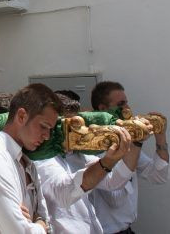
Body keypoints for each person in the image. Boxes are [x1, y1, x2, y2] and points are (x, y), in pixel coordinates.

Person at [0, 83, 61, 233]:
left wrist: (38, 223)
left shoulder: (27, 162)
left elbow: (44, 218)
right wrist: (39, 225)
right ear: (22, 116)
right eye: (43, 126)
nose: (47, 136)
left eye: (50, 129)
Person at [37, 93, 134, 234]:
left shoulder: (78, 154)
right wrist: (108, 161)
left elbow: (114, 182)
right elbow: (65, 193)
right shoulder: (41, 157)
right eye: (71, 127)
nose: (78, 132)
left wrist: (134, 143)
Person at [90, 81, 170, 234]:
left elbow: (159, 177)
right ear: (103, 109)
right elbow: (115, 199)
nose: (127, 109)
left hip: (127, 230)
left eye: (127, 103)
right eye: (121, 104)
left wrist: (160, 136)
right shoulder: (94, 148)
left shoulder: (128, 146)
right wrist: (136, 142)